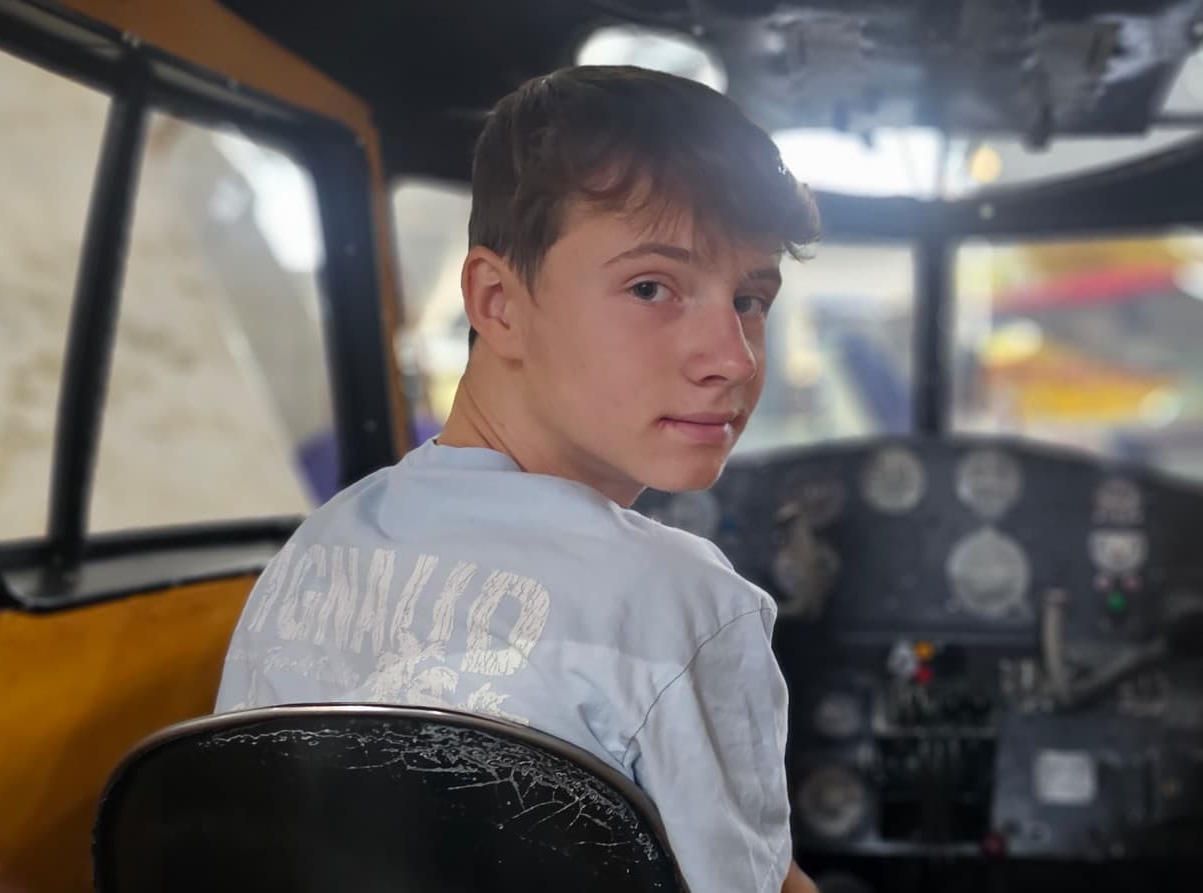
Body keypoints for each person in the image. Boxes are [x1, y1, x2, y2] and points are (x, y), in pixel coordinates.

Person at [216, 64, 821, 892]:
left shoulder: (311, 552)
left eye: (751, 298)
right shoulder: (682, 604)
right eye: (652, 287)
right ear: (497, 302)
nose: (732, 358)